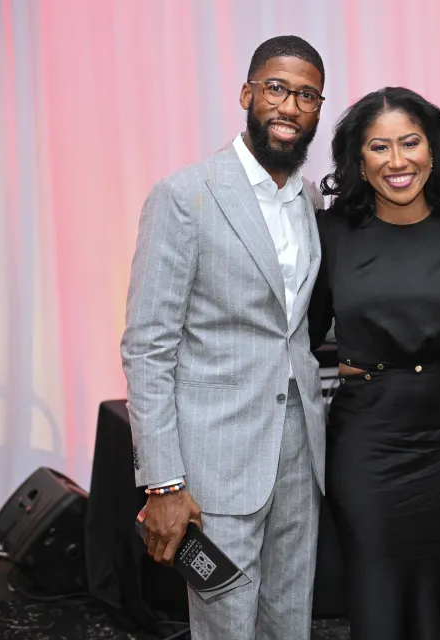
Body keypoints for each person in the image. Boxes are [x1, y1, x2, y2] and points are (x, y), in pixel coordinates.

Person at [121, 35, 327, 640]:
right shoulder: (185, 195)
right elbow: (148, 346)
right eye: (276, 88)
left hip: (299, 452)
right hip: (215, 462)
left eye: (307, 95)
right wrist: (164, 482)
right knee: (225, 621)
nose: (289, 106)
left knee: (290, 620)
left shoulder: (309, 199)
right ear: (247, 94)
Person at [309, 87, 440, 640]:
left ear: (433, 148)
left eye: (410, 143)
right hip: (370, 444)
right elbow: (302, 334)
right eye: (379, 147)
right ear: (357, 159)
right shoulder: (330, 236)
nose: (397, 162)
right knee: (380, 595)